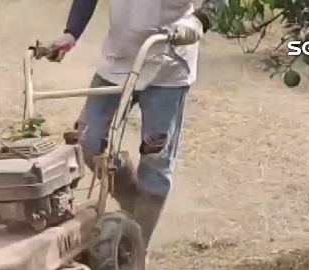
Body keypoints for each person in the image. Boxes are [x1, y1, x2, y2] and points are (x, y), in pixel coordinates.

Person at [45, 0, 225, 248]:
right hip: (117, 60)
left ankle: (135, 251)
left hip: (169, 63)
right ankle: (132, 203)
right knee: (88, 141)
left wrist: (199, 21)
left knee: (155, 160)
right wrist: (71, 33)